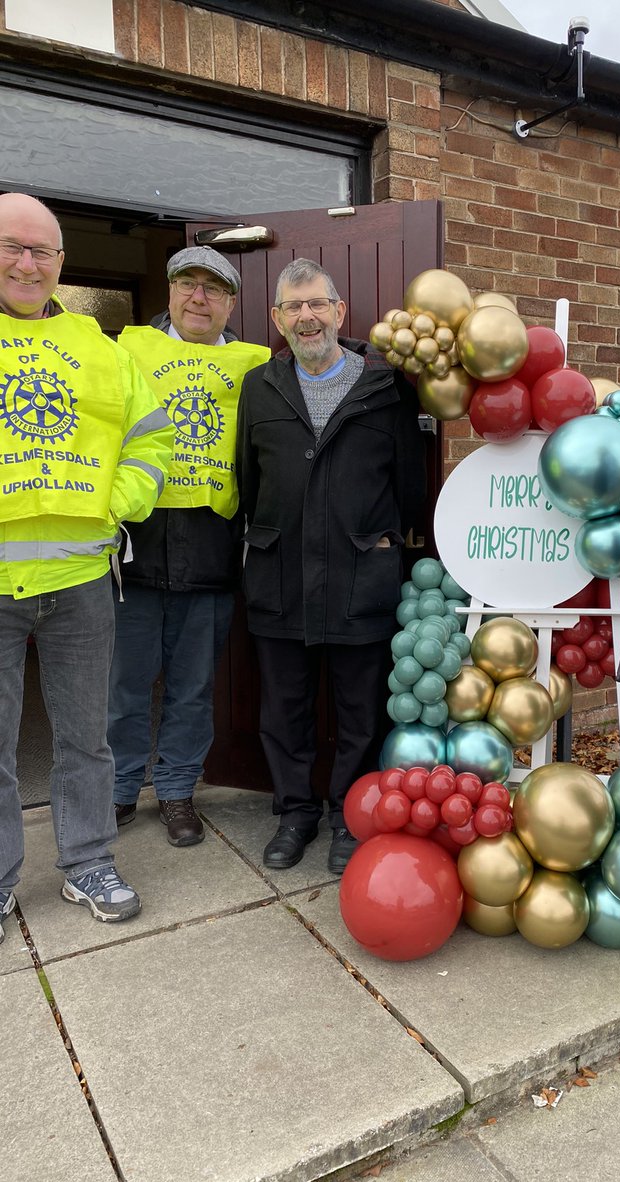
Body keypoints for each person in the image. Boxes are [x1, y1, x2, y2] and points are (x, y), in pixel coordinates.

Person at [0, 193, 173, 937]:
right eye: (12, 246)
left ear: (61, 263)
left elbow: (153, 438)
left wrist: (118, 505)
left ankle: (88, 862)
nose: (27, 263)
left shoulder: (103, 348)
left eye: (41, 251)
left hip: (80, 582)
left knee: (85, 736)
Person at [237, 259, 426, 875]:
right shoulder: (259, 388)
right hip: (280, 574)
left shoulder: (385, 386)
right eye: (293, 307)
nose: (306, 317)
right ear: (277, 319)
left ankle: (351, 814)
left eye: (317, 304)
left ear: (341, 312)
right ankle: (296, 813)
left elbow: (408, 482)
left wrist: (386, 540)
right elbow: (248, 478)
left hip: (358, 576)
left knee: (358, 710)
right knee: (284, 709)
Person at [109, 249, 269, 846]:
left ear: (232, 303)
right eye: (188, 285)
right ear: (171, 293)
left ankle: (176, 792)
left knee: (193, 686)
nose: (199, 297)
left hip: (211, 550)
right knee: (124, 684)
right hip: (135, 551)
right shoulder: (124, 352)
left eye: (214, 289)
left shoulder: (253, 366)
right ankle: (122, 790)